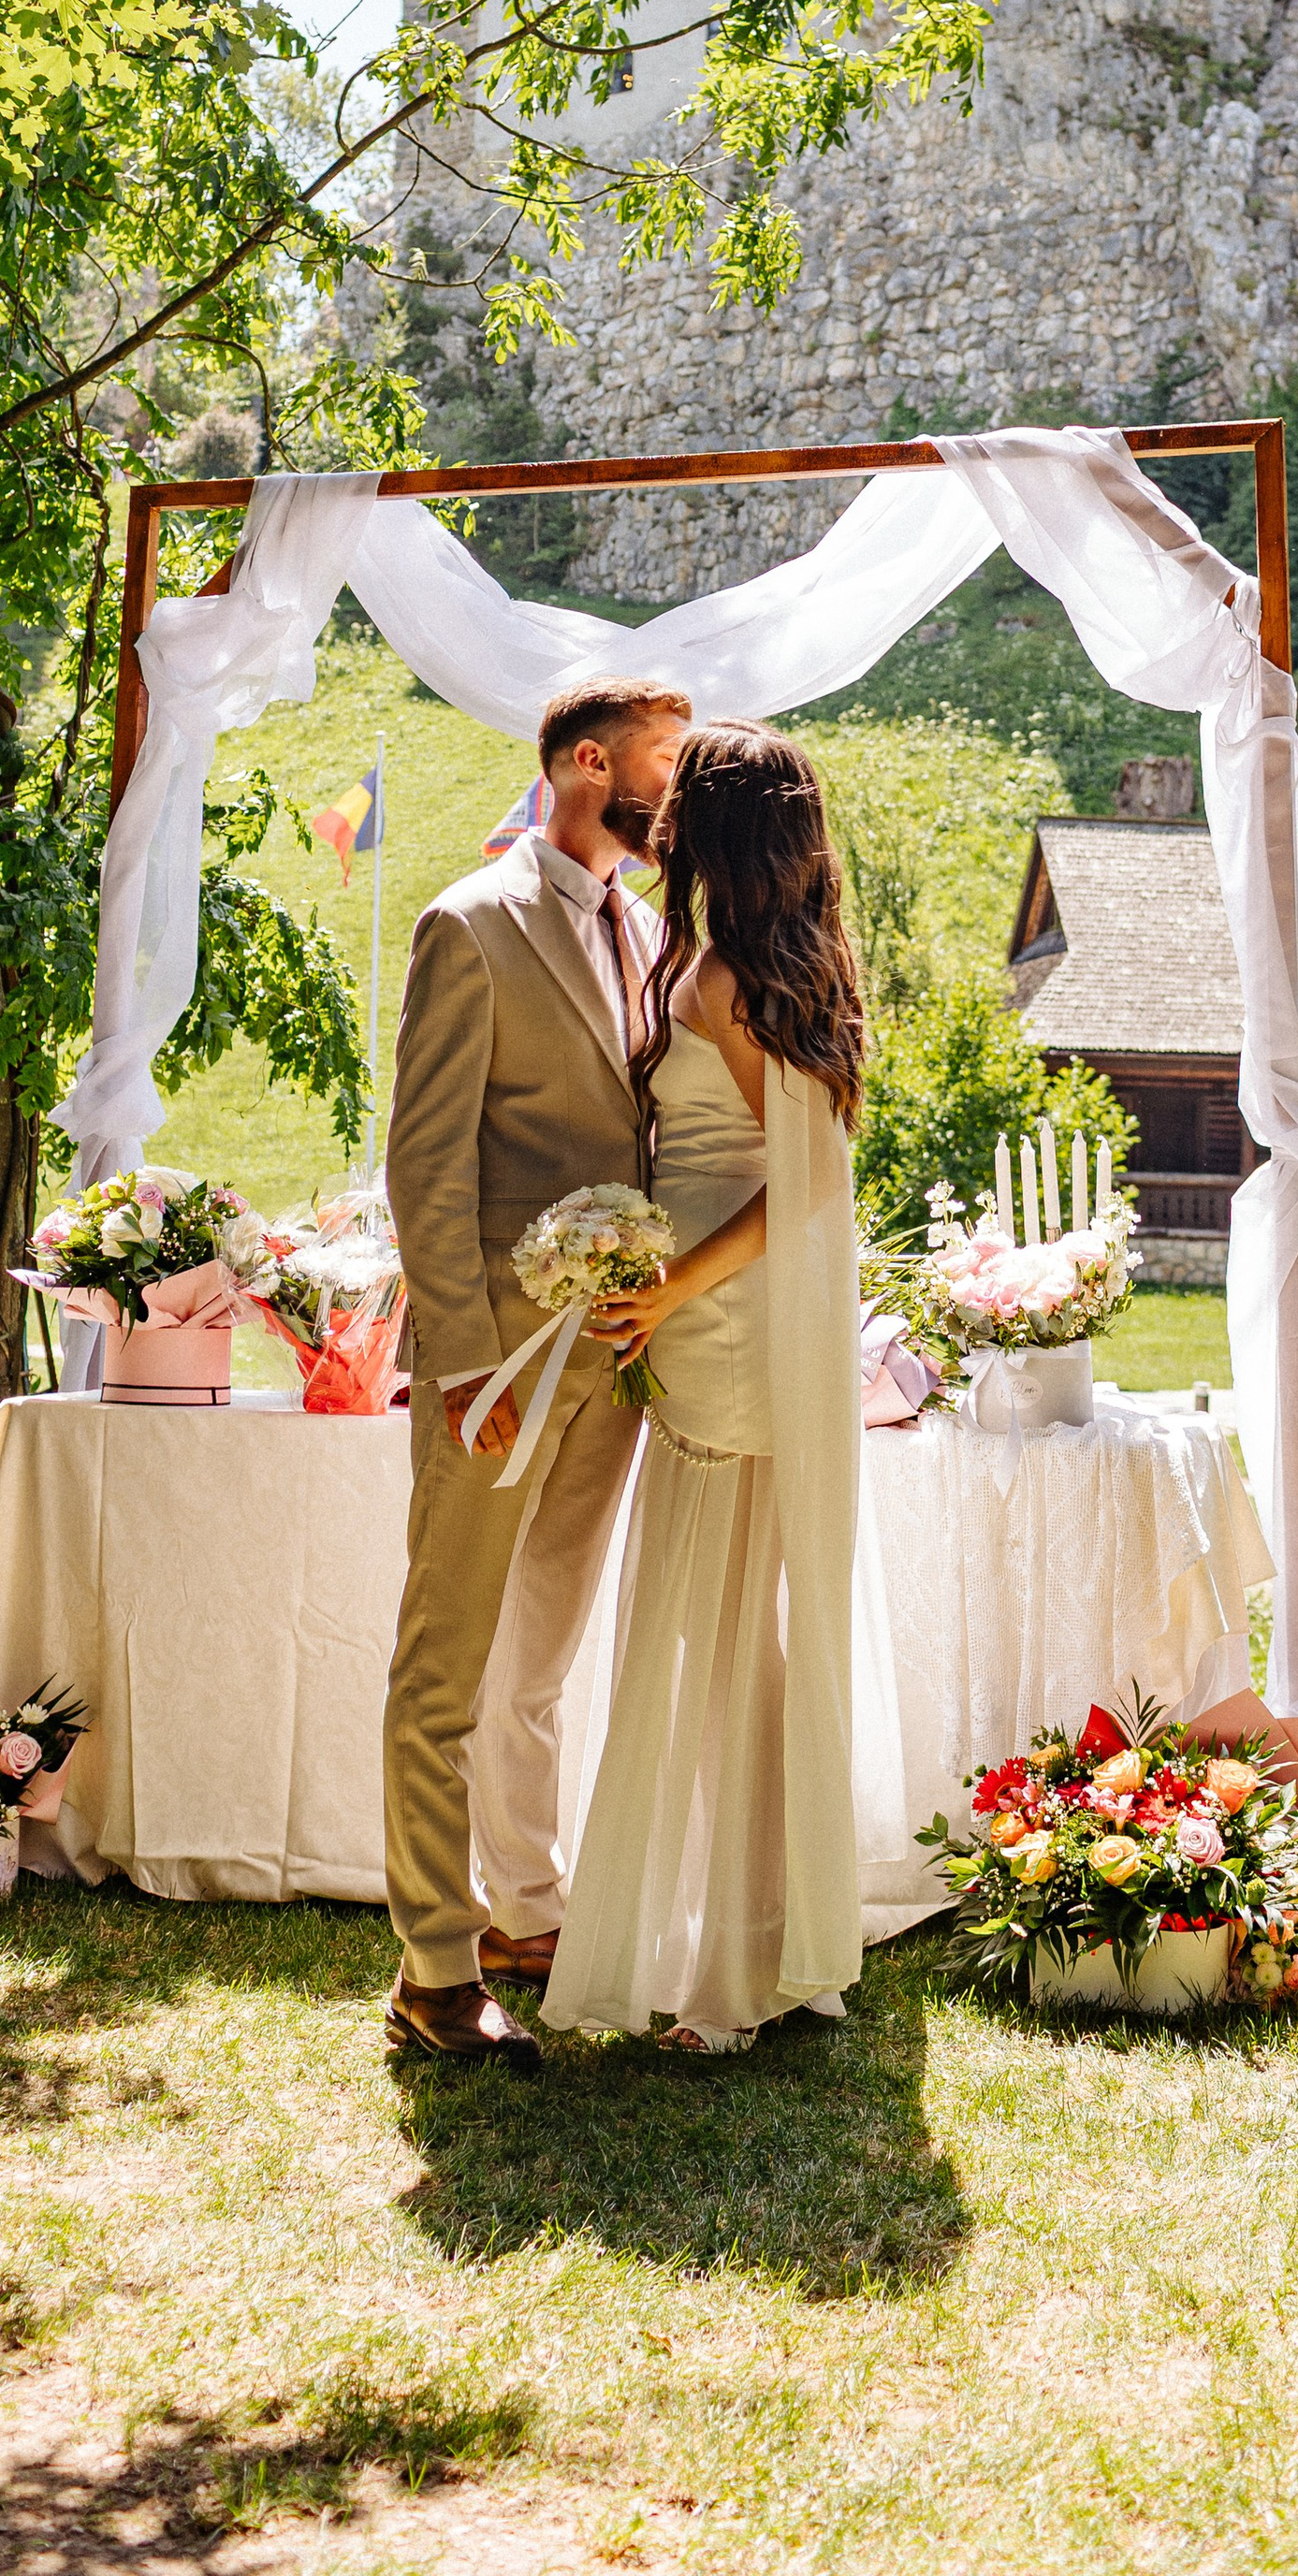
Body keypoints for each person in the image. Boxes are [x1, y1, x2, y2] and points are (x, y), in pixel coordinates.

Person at [381, 674, 692, 2069]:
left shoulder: (642, 927)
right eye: (660, 766)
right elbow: (426, 1169)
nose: (674, 793)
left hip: (610, 1368)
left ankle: (529, 1914)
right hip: (497, 1368)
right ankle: (433, 1970)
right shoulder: (469, 922)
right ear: (585, 761)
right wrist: (463, 1367)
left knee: (542, 1665)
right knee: (444, 1669)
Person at [544, 722, 868, 2054]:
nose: (653, 811)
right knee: (734, 1641)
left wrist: (670, 1287)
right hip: (709, 1327)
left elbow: (812, 1183)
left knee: (725, 1645)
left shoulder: (732, 978)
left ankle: (733, 1981)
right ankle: (770, 1941)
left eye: (676, 802)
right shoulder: (740, 959)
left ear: (719, 832)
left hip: (729, 1330)